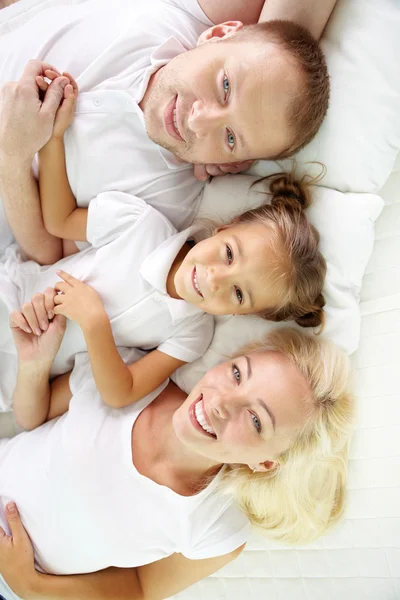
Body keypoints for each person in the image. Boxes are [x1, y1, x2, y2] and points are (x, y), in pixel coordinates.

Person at [0, 75, 326, 418]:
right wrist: (54, 137)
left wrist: (94, 321)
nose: (215, 280)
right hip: (11, 291)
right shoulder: (142, 224)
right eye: (229, 254)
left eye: (239, 294)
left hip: (15, 375)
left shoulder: (192, 332)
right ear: (225, 228)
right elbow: (60, 220)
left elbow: (121, 391)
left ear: (243, 314)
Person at [0, 312, 353, 600]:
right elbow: (34, 417)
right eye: (236, 374)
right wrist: (34, 363)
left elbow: (139, 588)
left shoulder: (216, 528)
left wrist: (31, 586)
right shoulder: (125, 376)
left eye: (256, 419)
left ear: (265, 463)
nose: (219, 403)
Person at [0, 0, 336, 265]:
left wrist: (12, 156)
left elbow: (50, 254)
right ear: (218, 35)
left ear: (239, 163)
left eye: (230, 137)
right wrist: (273, 53)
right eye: (225, 86)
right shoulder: (178, 14)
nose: (198, 121)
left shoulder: (162, 204)